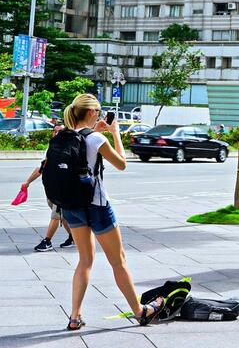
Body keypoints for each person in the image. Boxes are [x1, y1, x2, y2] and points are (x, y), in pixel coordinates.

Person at [58, 94, 163, 330]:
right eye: (98, 111)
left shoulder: (63, 135)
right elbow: (121, 163)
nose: (100, 115)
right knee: (118, 261)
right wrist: (115, 133)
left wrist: (97, 132)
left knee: (85, 260)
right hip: (97, 205)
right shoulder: (96, 138)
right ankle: (140, 311)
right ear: (91, 112)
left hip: (71, 206)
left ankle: (74, 316)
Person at [22, 163, 74, 252]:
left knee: (56, 216)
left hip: (62, 192)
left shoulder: (66, 155)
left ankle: (47, 241)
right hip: (52, 192)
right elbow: (40, 168)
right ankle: (73, 237)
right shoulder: (50, 155)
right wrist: (28, 182)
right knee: (63, 217)